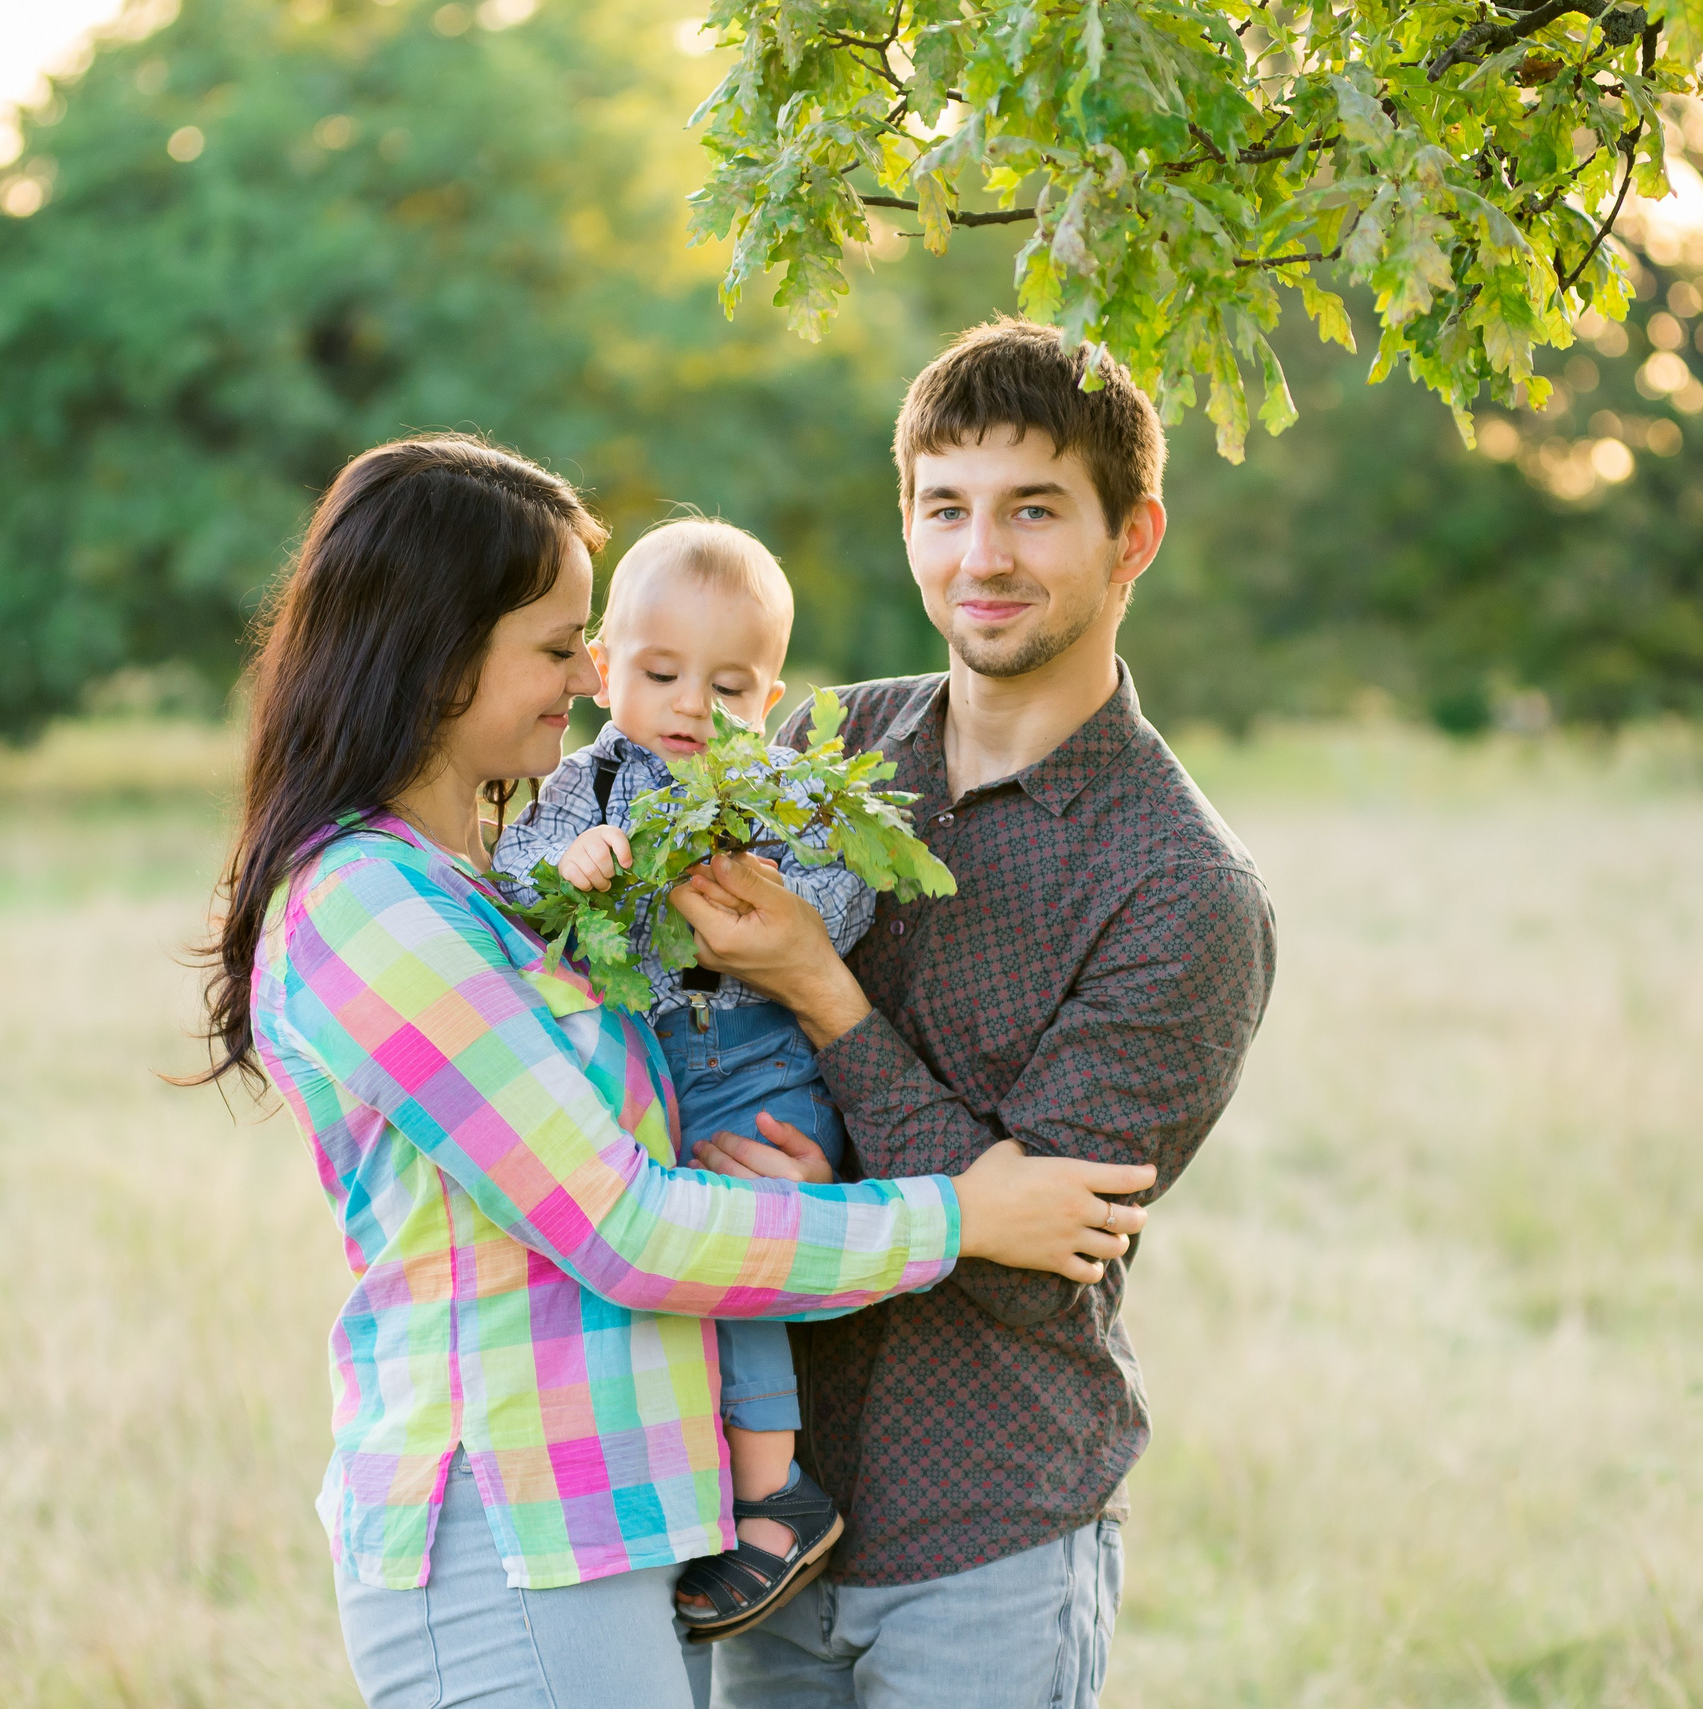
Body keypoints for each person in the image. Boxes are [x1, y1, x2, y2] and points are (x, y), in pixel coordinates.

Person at [190, 431, 1158, 1709]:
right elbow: (623, 1224)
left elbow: (639, 1155)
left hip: (598, 1526)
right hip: (510, 1523)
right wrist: (963, 1213)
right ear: (435, 651)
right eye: (555, 647)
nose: (581, 681)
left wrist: (780, 1166)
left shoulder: (473, 893)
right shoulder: (373, 908)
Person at [670, 321, 1279, 1709]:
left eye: (1034, 511)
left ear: (1135, 538)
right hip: (764, 1518)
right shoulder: (826, 747)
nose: (981, 556)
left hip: (991, 1534)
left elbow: (1022, 1253)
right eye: (947, 508)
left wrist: (821, 993)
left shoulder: (1183, 890)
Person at [489, 518, 874, 1641]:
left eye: (731, 685)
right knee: (658, 1266)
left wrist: (777, 902)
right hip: (651, 1065)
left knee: (732, 1259)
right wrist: (570, 863)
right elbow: (512, 870)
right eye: (661, 674)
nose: (694, 705)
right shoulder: (586, 783)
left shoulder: (775, 793)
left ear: (772, 694)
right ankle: (708, 1485)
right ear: (606, 670)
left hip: (756, 1065)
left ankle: (772, 1493)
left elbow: (845, 906)